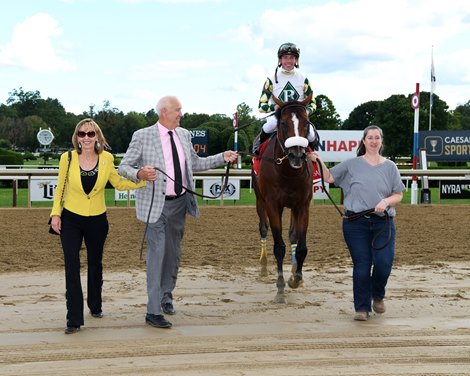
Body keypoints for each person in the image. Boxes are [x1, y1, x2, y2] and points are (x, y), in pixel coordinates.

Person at [118, 95, 238, 329]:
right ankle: (152, 311)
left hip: (180, 204)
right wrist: (139, 174)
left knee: (172, 254)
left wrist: (221, 158)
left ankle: (166, 297)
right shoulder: (142, 135)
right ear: (164, 112)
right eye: (178, 110)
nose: (181, 114)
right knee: (157, 253)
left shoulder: (184, 135)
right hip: (155, 206)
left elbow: (195, 164)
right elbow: (124, 166)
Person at [49, 118, 146, 334]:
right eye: (81, 134)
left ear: (97, 137)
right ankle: (73, 319)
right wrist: (56, 213)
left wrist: (143, 181)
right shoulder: (67, 158)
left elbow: (118, 182)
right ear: (76, 137)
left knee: (95, 264)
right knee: (71, 267)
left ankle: (95, 305)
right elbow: (61, 188)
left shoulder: (107, 159)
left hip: (97, 220)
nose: (86, 138)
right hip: (71, 219)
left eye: (90, 134)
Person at [309, 125, 405, 321]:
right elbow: (329, 177)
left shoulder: (390, 167)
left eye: (377, 137)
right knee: (362, 265)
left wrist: (386, 201)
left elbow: (399, 194)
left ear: (381, 141)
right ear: (363, 141)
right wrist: (318, 159)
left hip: (382, 223)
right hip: (355, 224)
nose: (373, 141)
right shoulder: (351, 164)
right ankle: (361, 307)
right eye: (370, 137)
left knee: (383, 263)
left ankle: (377, 295)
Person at [253, 42, 318, 155]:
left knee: (311, 134)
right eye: (285, 57)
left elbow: (313, 104)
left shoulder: (304, 79)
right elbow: (261, 106)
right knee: (270, 125)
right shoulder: (271, 80)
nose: (288, 61)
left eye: (292, 57)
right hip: (280, 116)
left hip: (298, 117)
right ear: (280, 60)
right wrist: (274, 106)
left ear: (296, 60)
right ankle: (257, 150)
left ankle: (312, 155)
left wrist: (306, 112)